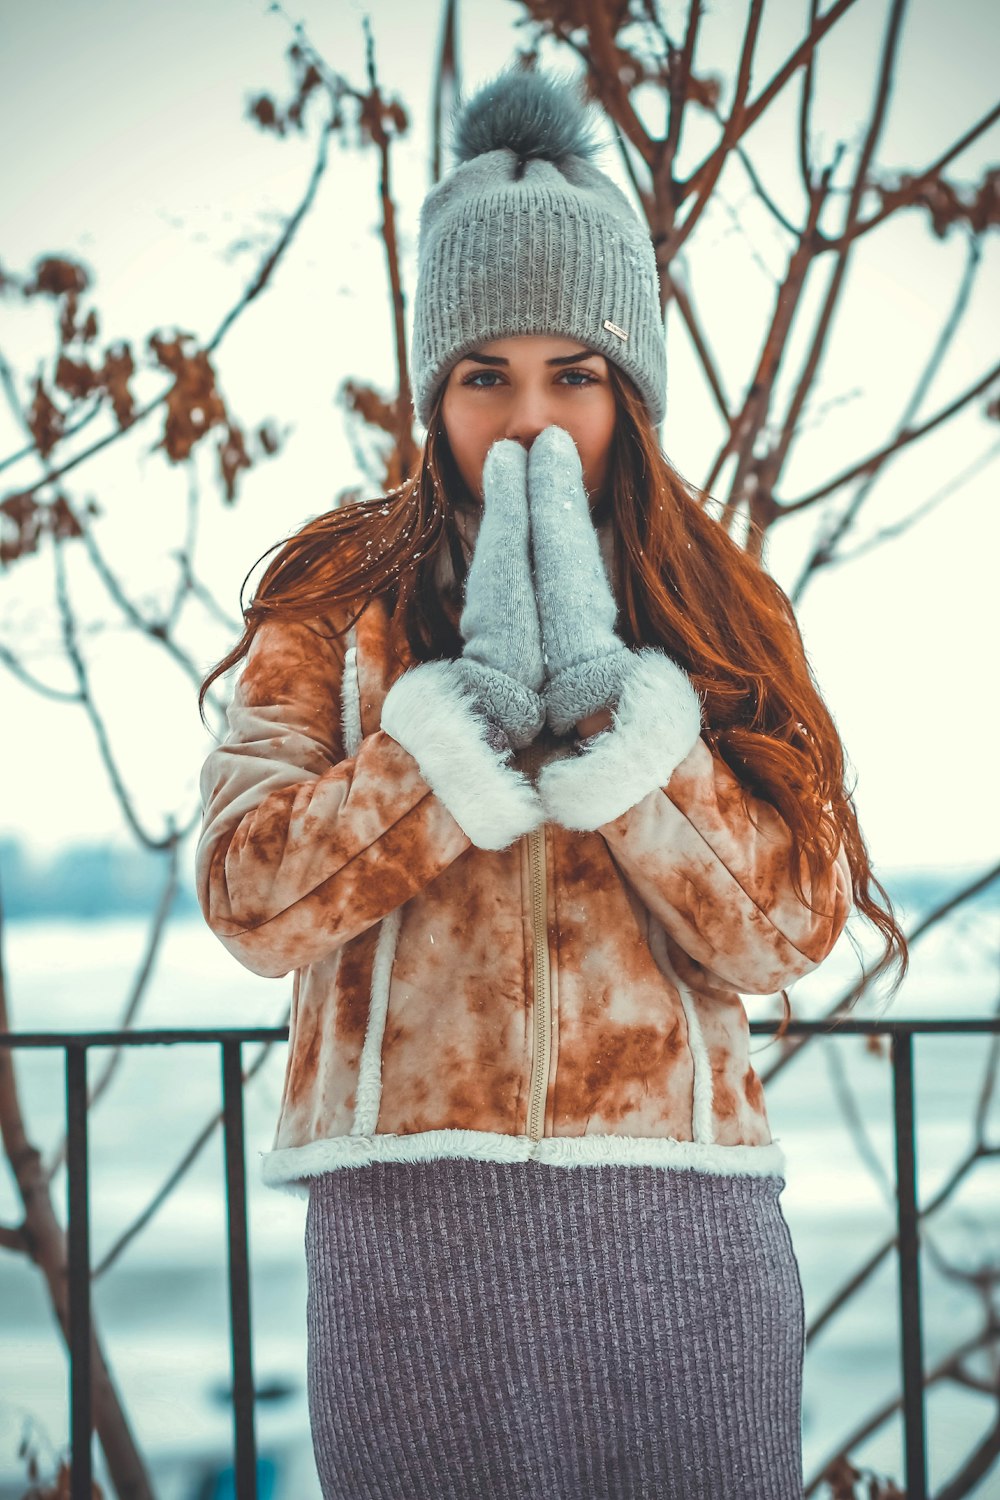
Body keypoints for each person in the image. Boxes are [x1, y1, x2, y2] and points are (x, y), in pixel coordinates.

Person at [196, 64, 906, 1500]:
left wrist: (623, 726)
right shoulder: (334, 605)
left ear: (626, 389)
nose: (528, 419)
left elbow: (789, 926)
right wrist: (438, 754)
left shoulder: (714, 601)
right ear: (432, 391)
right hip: (411, 1249)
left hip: (681, 1240)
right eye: (485, 376)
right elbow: (248, 898)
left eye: (572, 376)